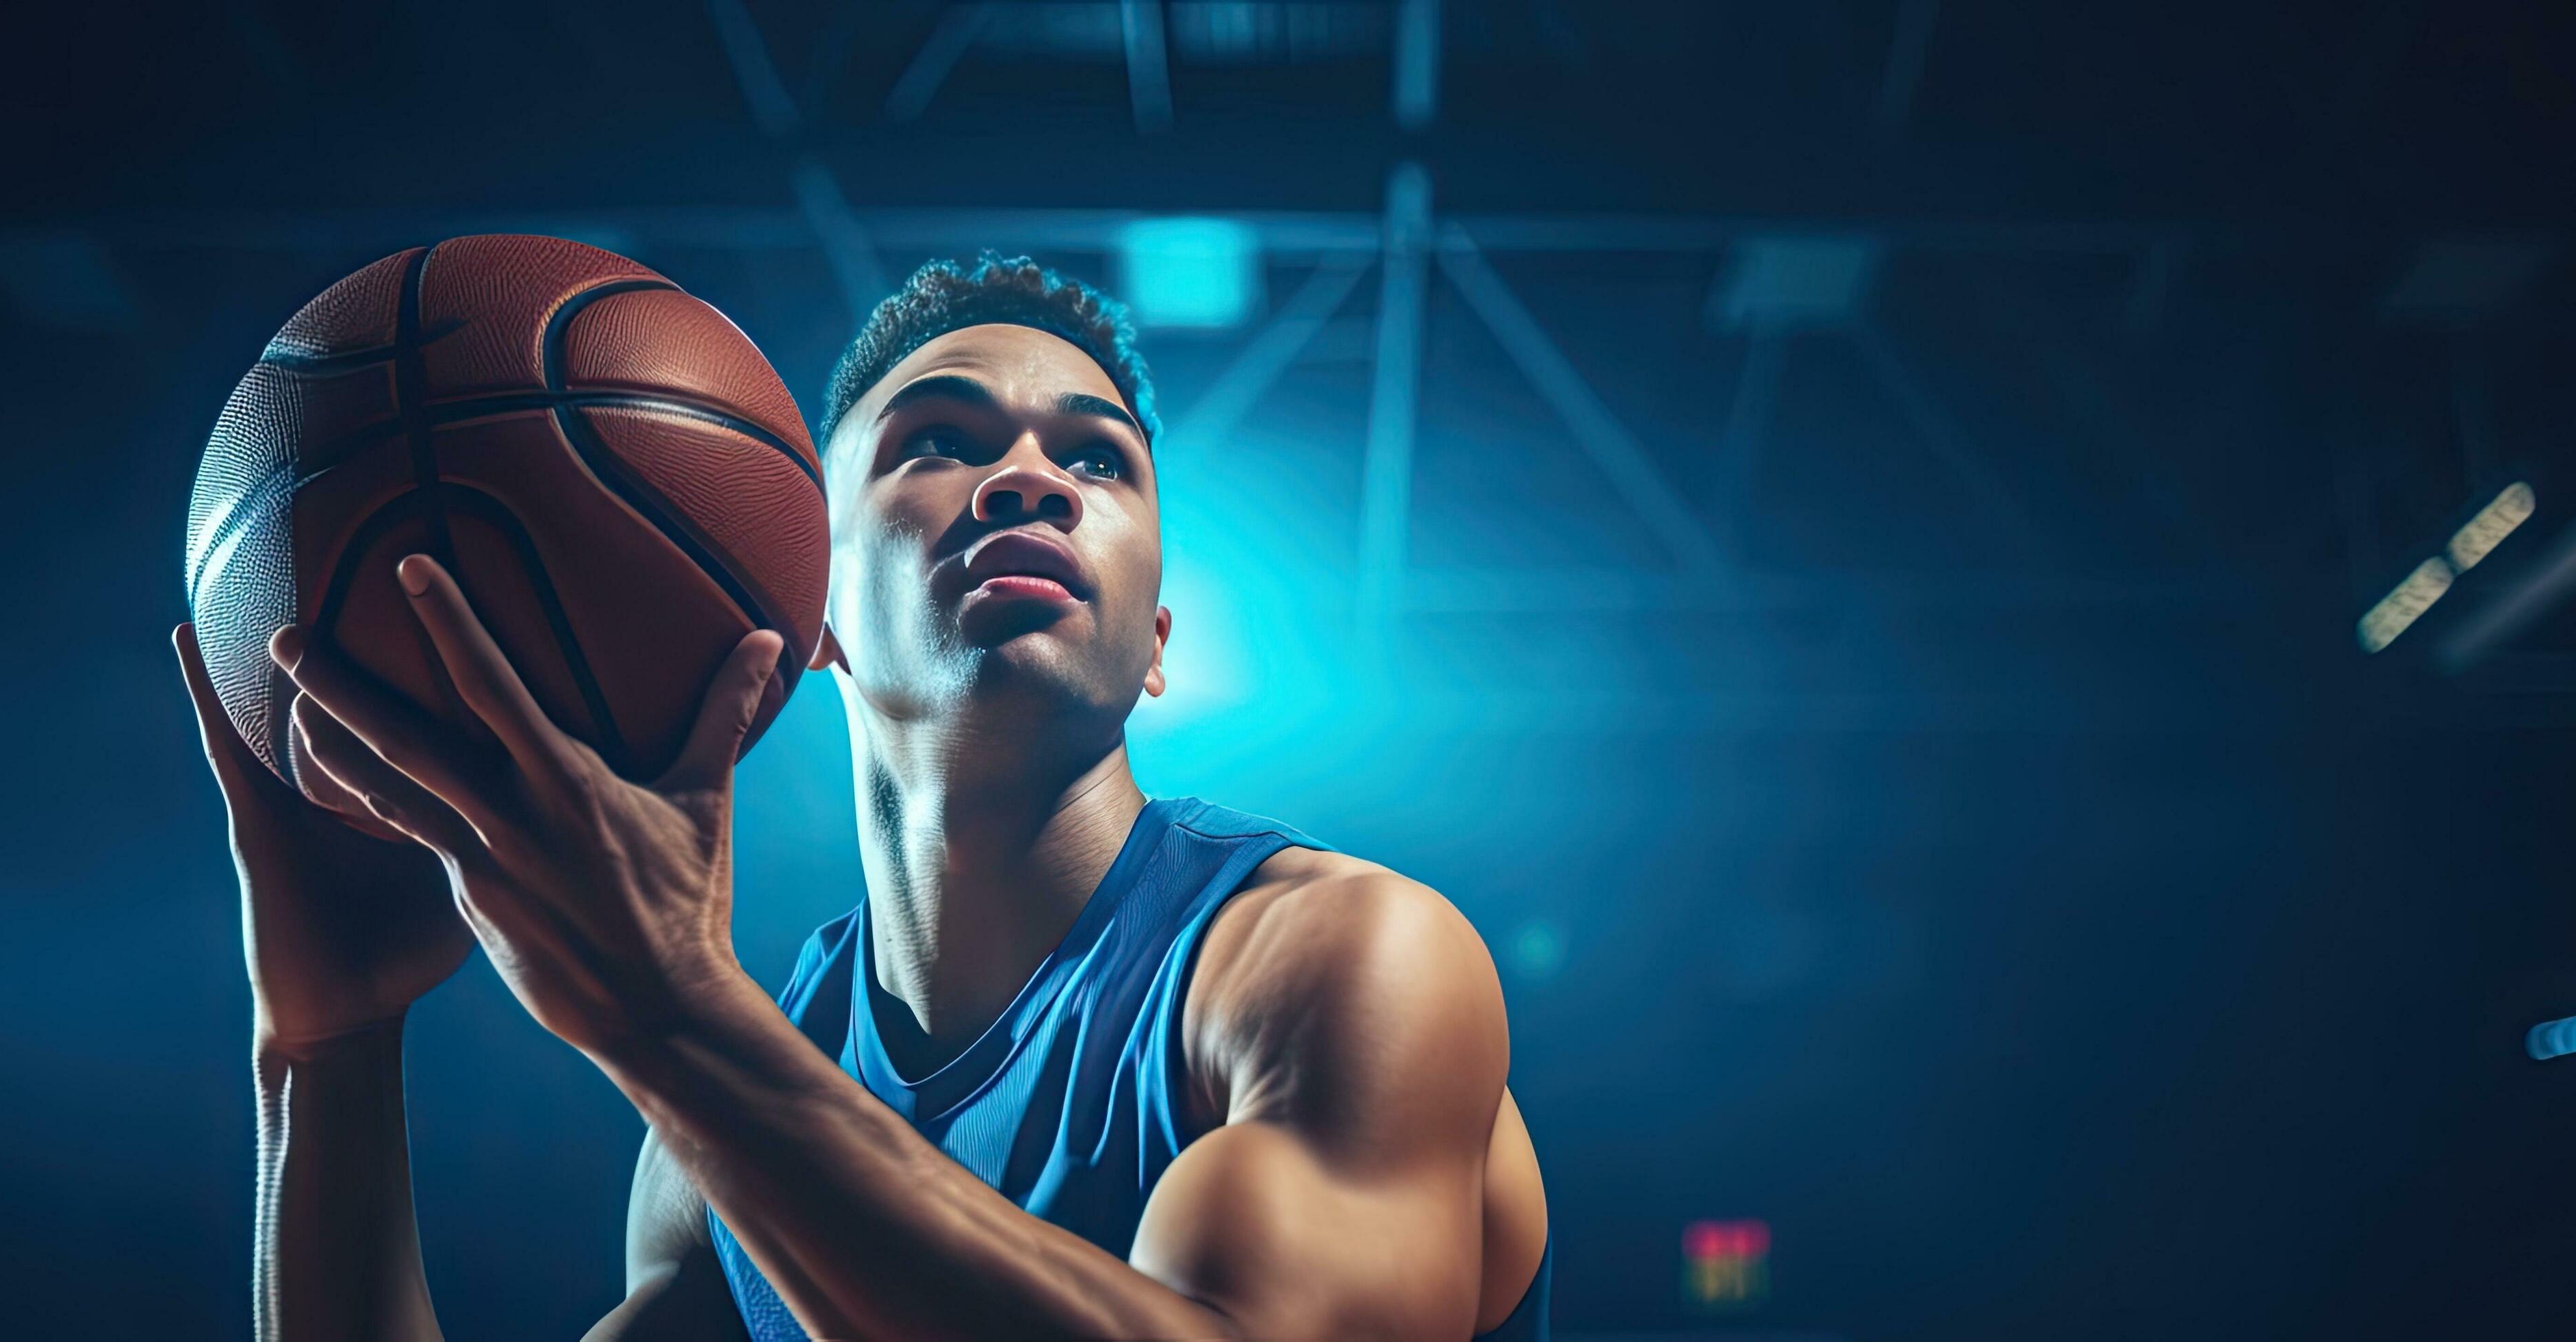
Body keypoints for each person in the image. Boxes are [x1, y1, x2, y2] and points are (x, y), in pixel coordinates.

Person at [175, 255, 1551, 1340]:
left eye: (1095, 458)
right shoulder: (733, 1107)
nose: (1029, 478)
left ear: (1157, 644)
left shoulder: (1338, 959)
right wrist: (325, 1054)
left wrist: (677, 1023)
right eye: (938, 440)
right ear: (803, 593)